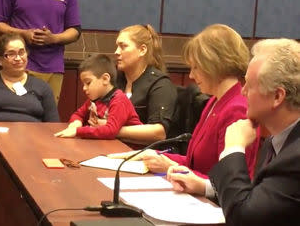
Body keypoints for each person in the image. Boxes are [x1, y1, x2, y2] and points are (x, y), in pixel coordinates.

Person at [109, 24, 260, 196]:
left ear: (214, 65)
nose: (191, 76)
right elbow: (193, 162)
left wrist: (171, 167)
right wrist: (154, 155)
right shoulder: (214, 102)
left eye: (195, 67)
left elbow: (227, 185)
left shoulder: (237, 110)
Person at [170, 38, 300, 225]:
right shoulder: (276, 141)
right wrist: (205, 187)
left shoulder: (295, 156)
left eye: (249, 85)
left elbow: (244, 219)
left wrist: (233, 147)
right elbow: (259, 199)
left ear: (277, 96)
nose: (243, 91)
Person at [0, 0, 81, 103]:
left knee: (47, 117)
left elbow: (75, 30)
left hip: (53, 67)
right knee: (18, 113)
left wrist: (53, 38)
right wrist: (23, 34)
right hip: (19, 65)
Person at [0, 34, 59, 122]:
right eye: (11, 54)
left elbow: (53, 124)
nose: (18, 58)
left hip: (30, 138)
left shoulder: (42, 86)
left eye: (22, 52)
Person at [111, 24, 177, 144]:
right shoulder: (114, 78)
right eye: (117, 46)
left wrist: (112, 129)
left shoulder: (161, 85)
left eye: (123, 46)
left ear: (142, 50)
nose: (116, 52)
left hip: (143, 155)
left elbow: (159, 132)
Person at [54, 54, 142, 139]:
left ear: (105, 79)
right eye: (83, 84)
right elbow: (78, 114)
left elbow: (110, 131)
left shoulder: (119, 100)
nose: (84, 88)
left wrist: (78, 131)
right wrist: (76, 123)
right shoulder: (94, 100)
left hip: (130, 148)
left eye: (88, 83)